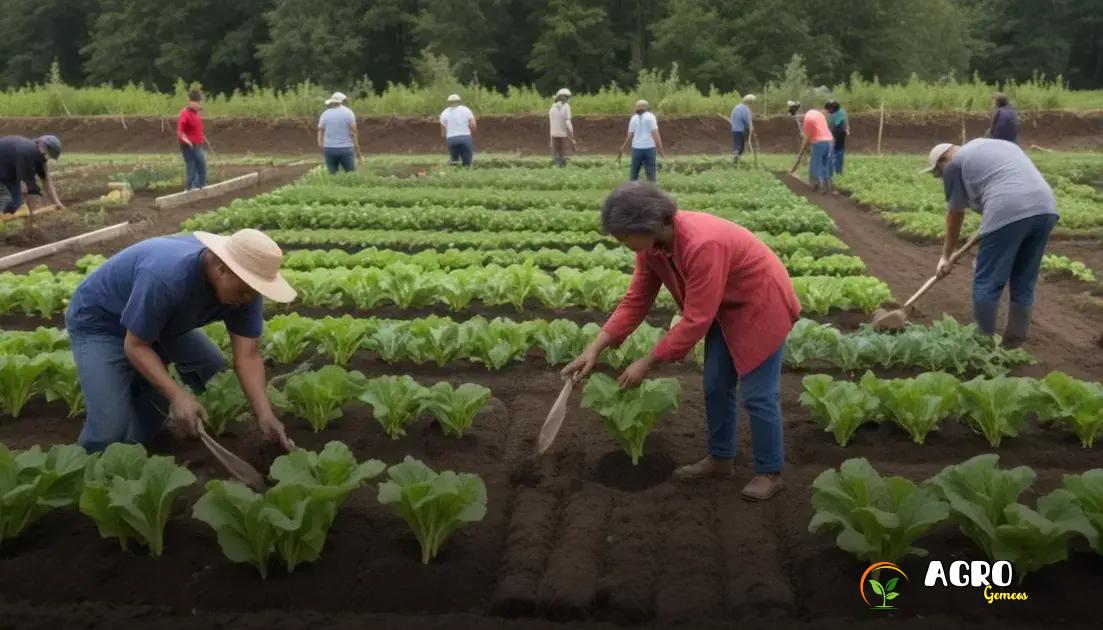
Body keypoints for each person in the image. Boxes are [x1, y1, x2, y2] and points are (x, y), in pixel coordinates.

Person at [562, 182, 800, 500]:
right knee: (716, 384)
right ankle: (720, 459)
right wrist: (595, 347)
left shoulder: (703, 244)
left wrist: (647, 362)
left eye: (624, 235)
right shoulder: (651, 249)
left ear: (647, 223)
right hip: (721, 308)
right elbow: (636, 300)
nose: (622, 242)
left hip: (761, 304)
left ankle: (770, 471)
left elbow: (695, 320)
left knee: (758, 394)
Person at [65, 229, 298, 453]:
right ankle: (90, 466)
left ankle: (134, 440)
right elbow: (135, 346)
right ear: (221, 268)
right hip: (101, 323)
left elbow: (248, 357)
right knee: (107, 431)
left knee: (211, 370)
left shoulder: (247, 291)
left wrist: (265, 415)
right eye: (243, 291)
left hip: (161, 324)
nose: (248, 299)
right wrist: (178, 396)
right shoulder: (167, 277)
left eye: (254, 292)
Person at [922, 140, 1058, 347]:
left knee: (987, 282)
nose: (941, 178)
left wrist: (946, 257)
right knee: (1023, 281)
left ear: (943, 161)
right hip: (1045, 208)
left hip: (1007, 208)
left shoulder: (954, 165)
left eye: (938, 174)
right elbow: (1011, 183)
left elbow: (955, 214)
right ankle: (1013, 345)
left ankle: (983, 345)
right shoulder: (992, 147)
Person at [0, 134, 65, 219]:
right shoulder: (30, 153)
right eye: (49, 155)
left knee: (15, 207)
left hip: (7, 173)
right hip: (4, 174)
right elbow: (26, 187)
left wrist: (57, 203)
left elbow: (46, 180)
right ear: (42, 148)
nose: (47, 159)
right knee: (12, 206)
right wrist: (30, 211)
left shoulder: (37, 154)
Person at [789, 105, 835, 193]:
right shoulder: (818, 114)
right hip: (829, 141)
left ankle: (816, 185)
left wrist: (801, 151)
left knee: (815, 164)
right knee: (824, 164)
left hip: (819, 143)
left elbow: (807, 139)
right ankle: (827, 186)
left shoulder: (808, 119)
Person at [618, 100, 665, 182]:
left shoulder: (634, 118)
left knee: (634, 173)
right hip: (649, 148)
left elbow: (630, 135)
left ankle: (632, 189)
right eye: (636, 106)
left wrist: (623, 147)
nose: (637, 108)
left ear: (644, 107)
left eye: (638, 106)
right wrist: (660, 150)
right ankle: (651, 190)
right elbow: (656, 134)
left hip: (637, 149)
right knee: (651, 173)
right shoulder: (651, 117)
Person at [317, 91, 363, 174]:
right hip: (346, 148)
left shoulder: (325, 114)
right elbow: (354, 132)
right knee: (350, 174)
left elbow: (320, 130)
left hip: (329, 148)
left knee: (332, 174)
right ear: (342, 101)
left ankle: (333, 186)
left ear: (332, 102)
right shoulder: (349, 113)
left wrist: (321, 144)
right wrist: (358, 151)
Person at [177, 90, 207, 191]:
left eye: (200, 102)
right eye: (197, 102)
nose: (199, 104)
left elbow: (196, 127)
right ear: (191, 102)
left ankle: (199, 185)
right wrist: (186, 140)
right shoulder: (185, 113)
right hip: (188, 145)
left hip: (197, 144)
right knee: (192, 165)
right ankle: (191, 187)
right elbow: (180, 131)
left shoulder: (196, 113)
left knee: (201, 166)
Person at [440, 94, 477, 167]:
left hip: (451, 139)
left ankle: (454, 174)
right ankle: (466, 173)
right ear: (459, 101)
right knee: (467, 162)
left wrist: (449, 140)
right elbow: (473, 124)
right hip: (465, 137)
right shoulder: (466, 109)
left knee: (454, 161)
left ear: (449, 102)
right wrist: (471, 134)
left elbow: (443, 133)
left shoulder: (444, 113)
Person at [549, 88, 576, 167]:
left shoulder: (552, 107)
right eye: (566, 97)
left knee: (555, 152)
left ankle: (556, 166)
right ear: (562, 97)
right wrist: (571, 134)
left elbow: (551, 121)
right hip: (563, 134)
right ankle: (562, 166)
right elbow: (567, 121)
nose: (567, 98)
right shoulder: (566, 106)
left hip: (553, 133)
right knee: (562, 153)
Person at [825, 99, 849, 175]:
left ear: (832, 108)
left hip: (836, 133)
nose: (828, 110)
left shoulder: (832, 116)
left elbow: (831, 127)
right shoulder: (842, 111)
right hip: (842, 133)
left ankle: (831, 171)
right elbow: (846, 122)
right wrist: (847, 129)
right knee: (839, 152)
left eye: (829, 108)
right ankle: (838, 171)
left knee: (832, 152)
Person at [730, 94, 755, 165]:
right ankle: (736, 161)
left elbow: (732, 117)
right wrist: (751, 128)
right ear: (750, 102)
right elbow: (748, 122)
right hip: (741, 130)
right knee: (740, 147)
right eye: (752, 102)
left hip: (734, 130)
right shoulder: (746, 109)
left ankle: (736, 161)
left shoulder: (736, 107)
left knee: (737, 145)